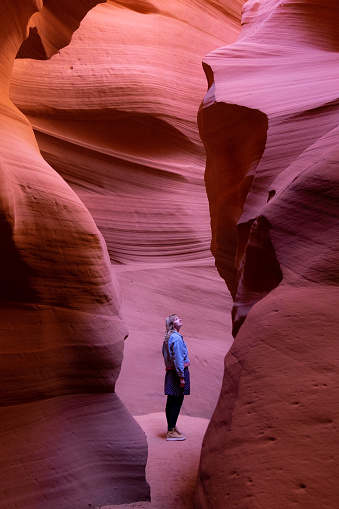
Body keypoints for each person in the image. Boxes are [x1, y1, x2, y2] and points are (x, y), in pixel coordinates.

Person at [162, 314, 190, 441]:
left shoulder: (168, 337)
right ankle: (171, 431)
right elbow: (178, 359)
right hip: (178, 373)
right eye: (178, 319)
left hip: (170, 372)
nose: (180, 319)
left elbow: (165, 355)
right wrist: (182, 377)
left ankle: (171, 428)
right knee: (178, 401)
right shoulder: (177, 339)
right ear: (173, 324)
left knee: (171, 400)